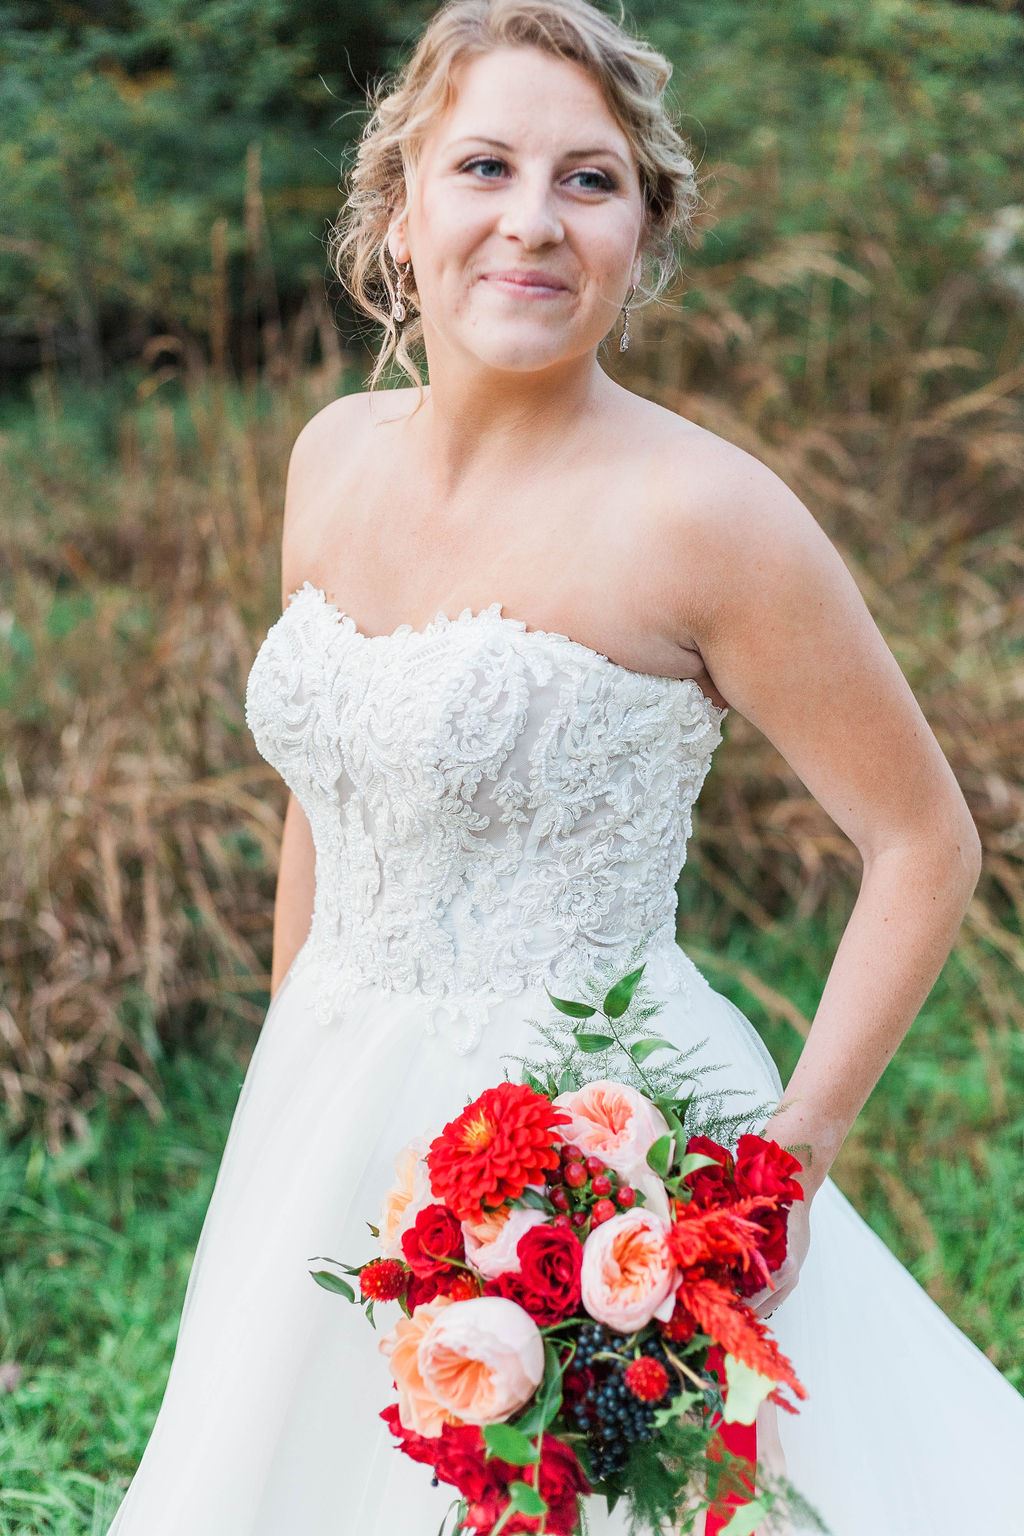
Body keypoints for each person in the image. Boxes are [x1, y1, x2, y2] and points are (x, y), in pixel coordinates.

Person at [105, 2, 1024, 1532]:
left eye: (588, 180)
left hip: (592, 1157)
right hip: (328, 1100)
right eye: (485, 167)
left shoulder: (709, 518)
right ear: (399, 210)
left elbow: (924, 843)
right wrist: (293, 1077)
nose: (532, 220)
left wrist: (780, 1172)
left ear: (640, 233)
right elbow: (328, 792)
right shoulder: (329, 457)